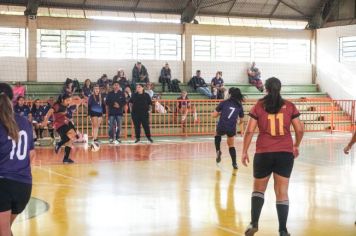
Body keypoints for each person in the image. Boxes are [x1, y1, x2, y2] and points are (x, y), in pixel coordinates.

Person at [242, 77, 304, 236]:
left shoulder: (259, 106)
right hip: (284, 153)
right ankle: (283, 230)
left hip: (264, 153)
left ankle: (253, 223)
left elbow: (249, 130)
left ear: (266, 89)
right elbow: (299, 129)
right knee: (282, 191)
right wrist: (296, 145)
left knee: (258, 189)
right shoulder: (289, 106)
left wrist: (244, 151)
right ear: (280, 88)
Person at [0, 83, 34, 236]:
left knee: (3, 231)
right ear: (12, 99)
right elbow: (31, 154)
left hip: (3, 184)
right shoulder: (25, 122)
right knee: (5, 229)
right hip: (24, 186)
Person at [212, 87, 245, 169]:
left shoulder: (223, 102)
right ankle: (234, 163)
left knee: (217, 134)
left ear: (230, 94)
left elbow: (214, 115)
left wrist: (220, 113)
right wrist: (238, 122)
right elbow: (241, 120)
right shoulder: (239, 105)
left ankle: (218, 151)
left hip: (222, 125)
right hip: (231, 127)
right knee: (231, 145)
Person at [43, 94, 78, 164]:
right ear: (62, 100)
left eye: (69, 100)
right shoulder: (57, 105)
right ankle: (58, 144)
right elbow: (49, 112)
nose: (68, 102)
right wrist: (45, 121)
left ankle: (66, 159)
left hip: (65, 123)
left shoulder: (66, 105)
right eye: (67, 100)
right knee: (68, 138)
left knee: (71, 139)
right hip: (59, 125)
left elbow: (64, 115)